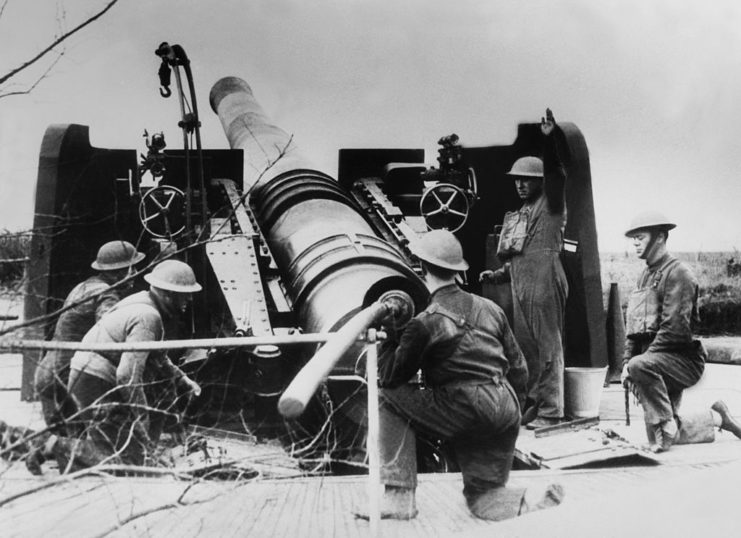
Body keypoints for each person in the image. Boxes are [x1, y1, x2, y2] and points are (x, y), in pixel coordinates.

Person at [367, 229, 563, 521]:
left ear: (422, 268)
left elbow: (392, 377)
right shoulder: (491, 309)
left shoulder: (424, 323)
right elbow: (519, 367)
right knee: (483, 499)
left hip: (466, 407)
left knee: (386, 399)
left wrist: (388, 339)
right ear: (457, 272)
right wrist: (512, 412)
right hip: (505, 407)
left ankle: (399, 497)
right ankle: (531, 503)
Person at [26, 259, 203, 474]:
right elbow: (127, 375)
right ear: (168, 294)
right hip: (94, 380)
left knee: (121, 451)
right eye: (185, 294)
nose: (190, 299)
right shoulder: (148, 317)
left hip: (90, 376)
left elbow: (159, 357)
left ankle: (52, 448)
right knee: (124, 462)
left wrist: (183, 379)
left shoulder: (142, 302)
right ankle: (48, 444)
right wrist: (141, 418)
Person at [621, 212, 741, 452]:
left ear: (660, 237)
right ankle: (717, 417)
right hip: (655, 362)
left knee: (662, 429)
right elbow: (634, 330)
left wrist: (638, 364)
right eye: (633, 237)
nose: (635, 242)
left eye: (640, 237)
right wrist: (627, 363)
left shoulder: (679, 274)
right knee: (658, 436)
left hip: (682, 360)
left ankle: (666, 424)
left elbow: (674, 331)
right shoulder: (645, 276)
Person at [479, 108, 568, 429]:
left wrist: (551, 140)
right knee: (529, 349)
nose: (519, 185)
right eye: (517, 180)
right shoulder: (523, 211)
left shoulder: (551, 205)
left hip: (544, 281)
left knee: (548, 347)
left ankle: (551, 411)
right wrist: (498, 275)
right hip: (522, 285)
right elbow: (518, 256)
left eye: (527, 181)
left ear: (540, 183)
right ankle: (535, 402)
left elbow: (557, 174)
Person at [33, 240, 145, 433]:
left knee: (61, 445)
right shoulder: (106, 293)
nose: (135, 273)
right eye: (131, 268)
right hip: (67, 378)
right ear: (119, 271)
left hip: (47, 373)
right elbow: (110, 332)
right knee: (90, 444)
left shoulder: (83, 287)